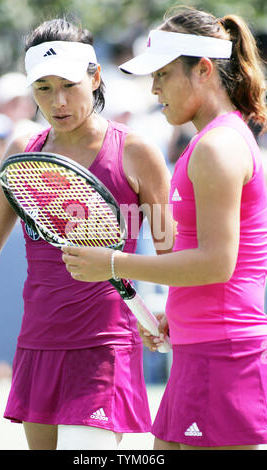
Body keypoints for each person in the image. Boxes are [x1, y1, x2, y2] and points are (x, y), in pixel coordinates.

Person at [62, 6, 267, 450]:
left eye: (163, 75)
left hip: (224, 356)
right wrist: (178, 313)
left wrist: (112, 262)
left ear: (204, 70)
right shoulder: (205, 143)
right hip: (200, 350)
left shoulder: (218, 147)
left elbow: (217, 263)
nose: (153, 89)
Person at [0, 18, 172, 450]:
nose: (58, 101)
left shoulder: (136, 152)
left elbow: (171, 246)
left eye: (69, 85)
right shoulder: (22, 151)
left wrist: (171, 313)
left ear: (95, 77)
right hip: (38, 342)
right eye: (43, 88)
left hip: (105, 347)